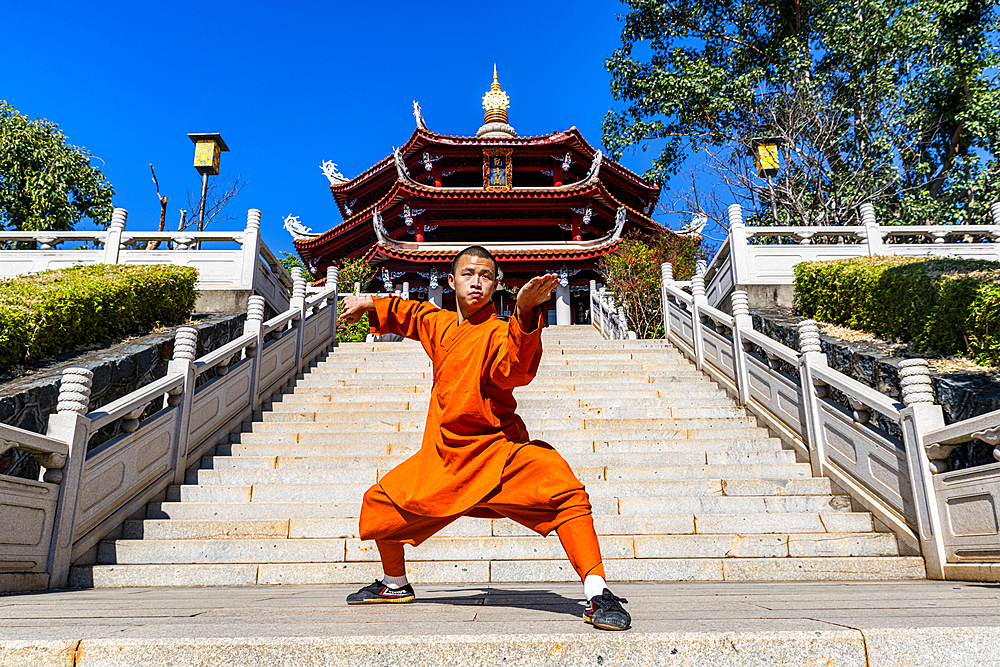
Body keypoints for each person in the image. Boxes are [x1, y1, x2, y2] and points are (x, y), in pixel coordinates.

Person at [338, 246, 631, 631]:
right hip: (445, 456)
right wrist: (367, 302)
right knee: (379, 502)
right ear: (451, 281)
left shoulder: (499, 331)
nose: (476, 282)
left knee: (563, 487)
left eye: (486, 276)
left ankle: (597, 593)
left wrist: (526, 312)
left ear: (496, 286)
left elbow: (516, 367)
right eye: (468, 274)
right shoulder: (437, 323)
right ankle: (394, 585)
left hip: (498, 451)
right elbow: (407, 312)